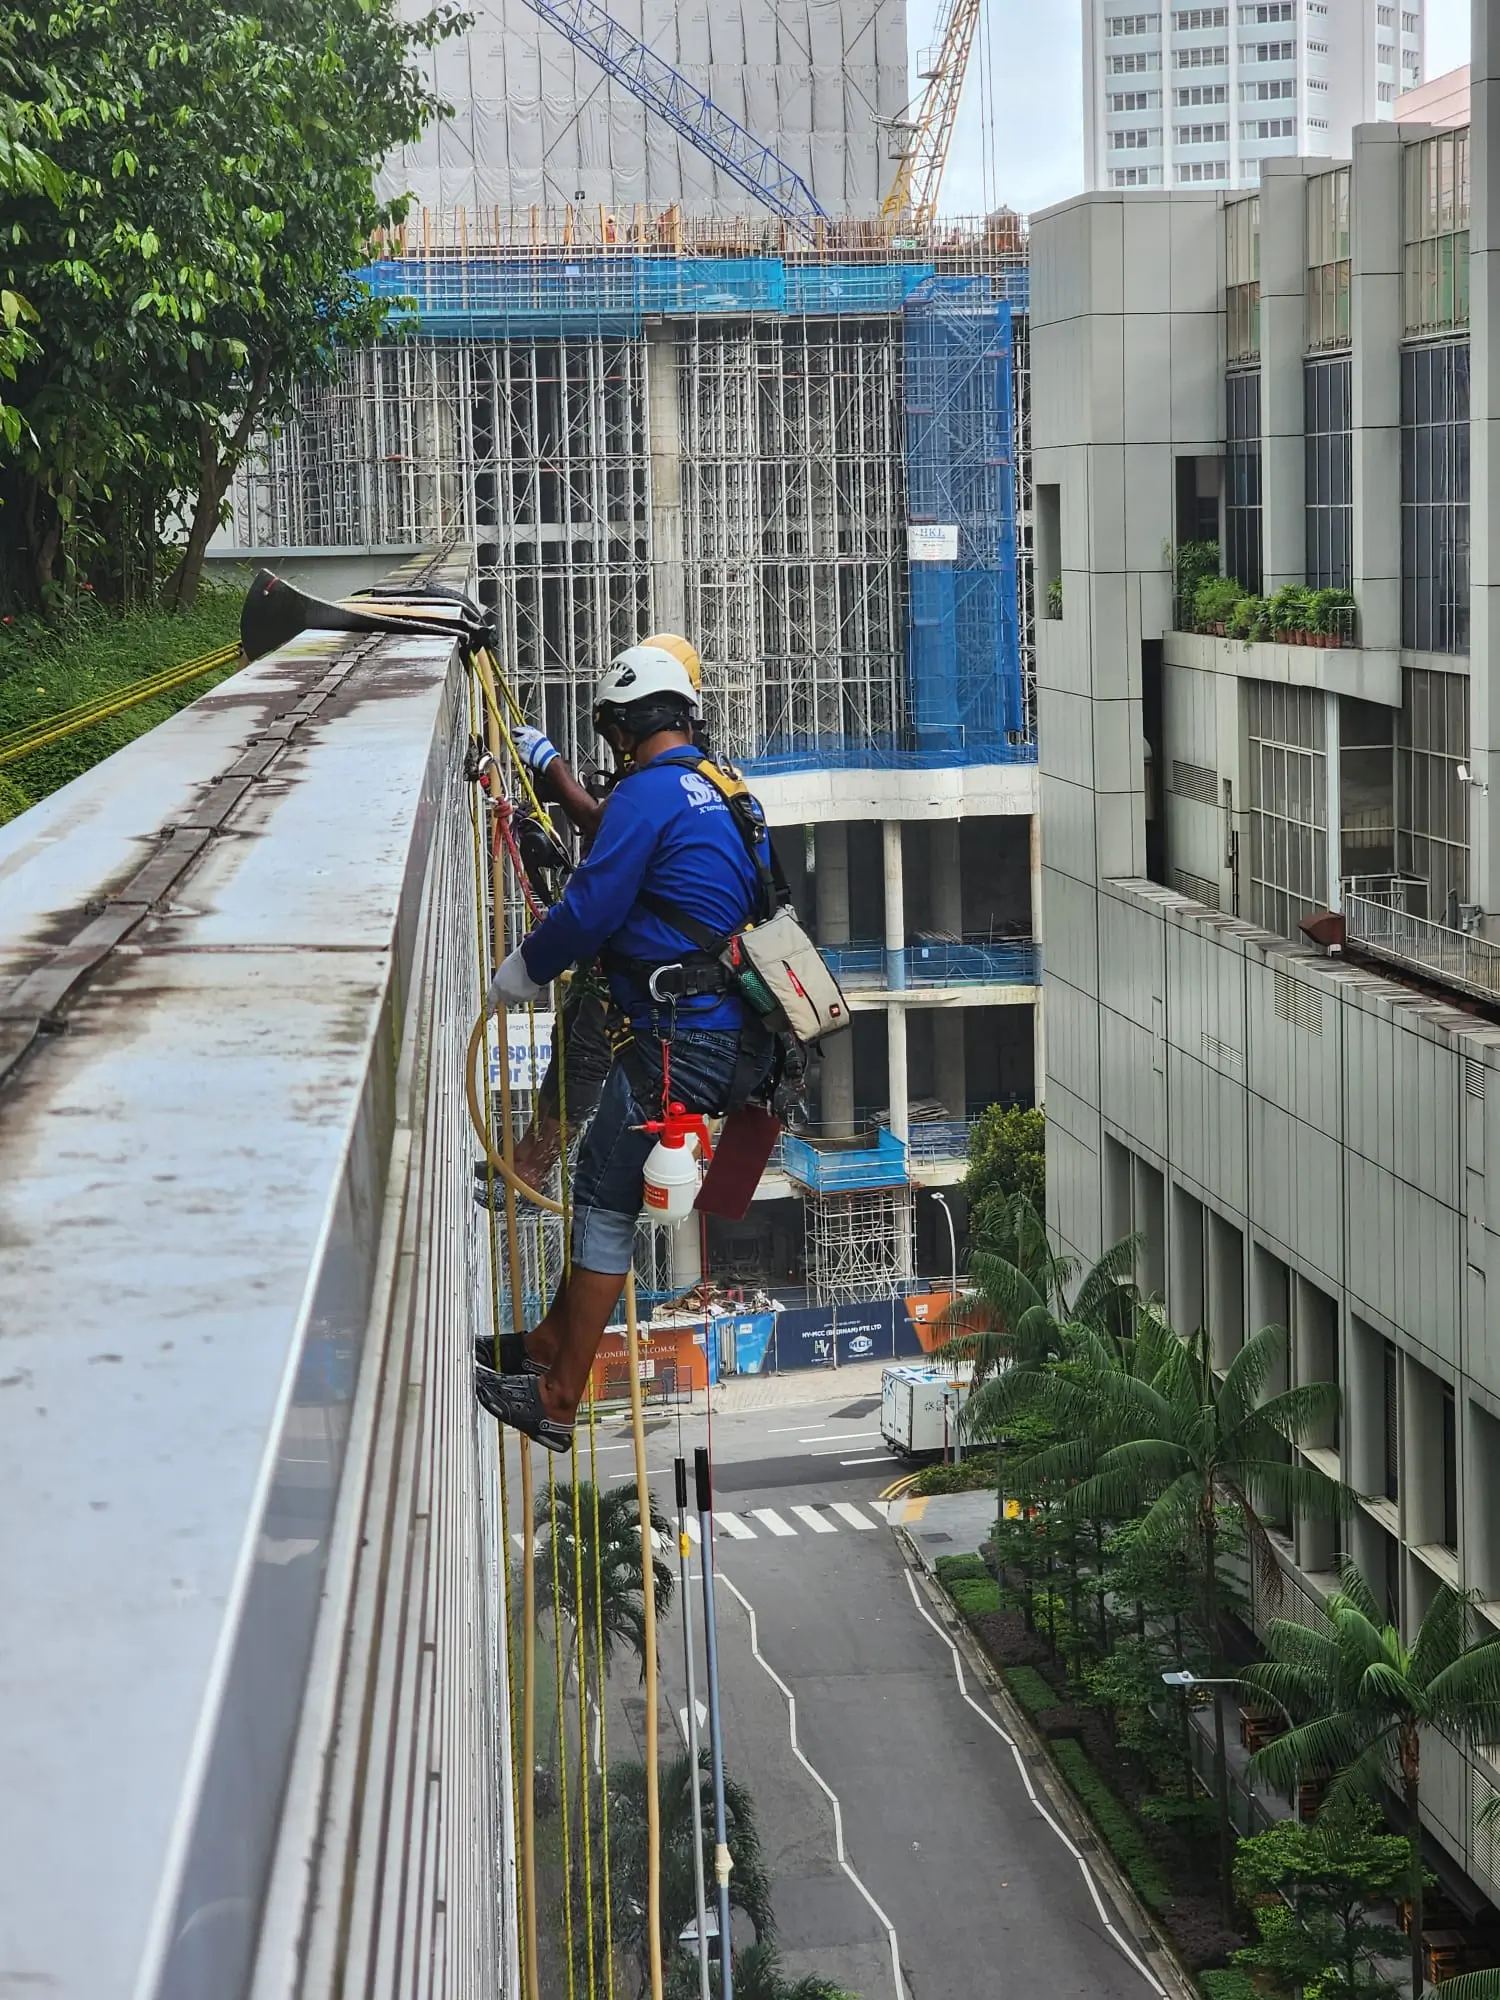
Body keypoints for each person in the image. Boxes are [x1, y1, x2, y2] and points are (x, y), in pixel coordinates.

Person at [475, 643, 776, 1451]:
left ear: (627, 728)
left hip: (674, 1040)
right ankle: (544, 1343)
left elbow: (589, 906)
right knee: (602, 1190)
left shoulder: (648, 794)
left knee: (602, 1204)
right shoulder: (728, 793)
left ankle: (558, 1397)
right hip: (724, 1036)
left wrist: (524, 970)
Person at [483, 633, 707, 1191]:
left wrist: (553, 770)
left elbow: (603, 824)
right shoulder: (691, 772)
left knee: (584, 1049)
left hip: (642, 956)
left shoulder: (661, 774)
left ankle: (534, 1169)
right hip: (640, 949)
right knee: (573, 1045)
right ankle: (532, 1159)